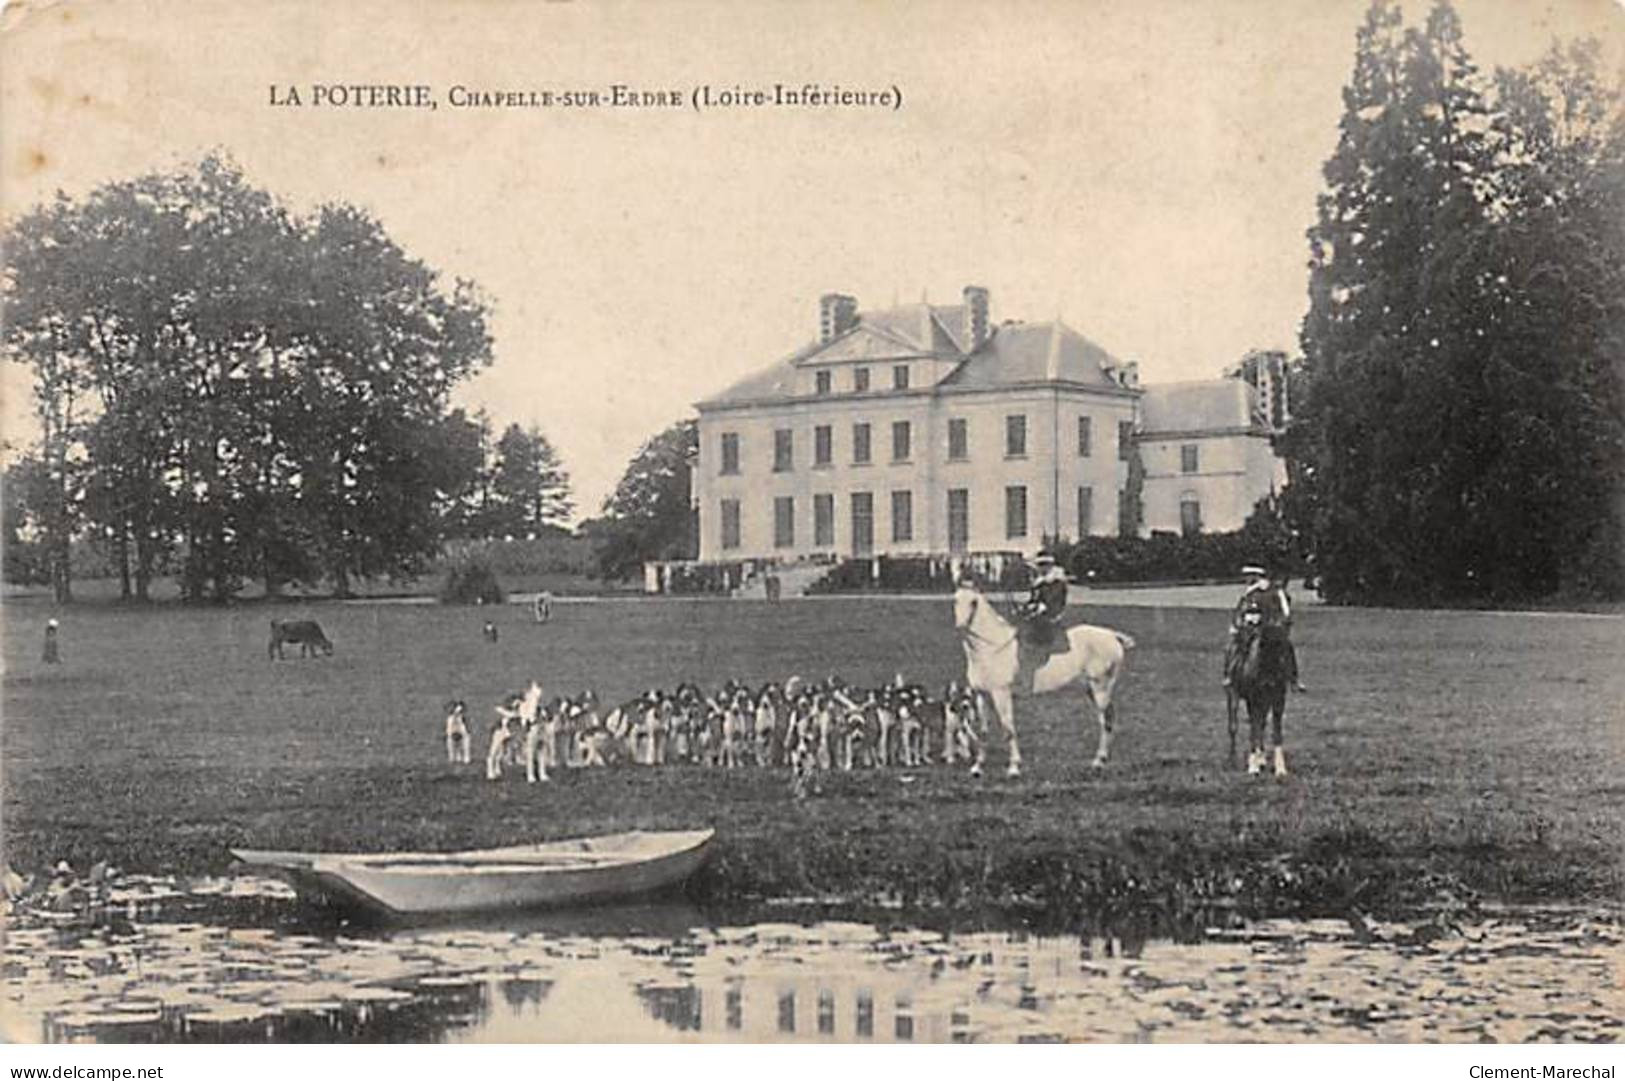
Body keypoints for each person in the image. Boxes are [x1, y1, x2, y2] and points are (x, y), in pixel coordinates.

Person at [1222, 564, 1306, 692]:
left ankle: (1293, 678)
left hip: (1268, 629)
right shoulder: (1249, 593)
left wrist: (1279, 623)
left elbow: (1284, 612)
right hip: (1249, 628)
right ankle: (1230, 675)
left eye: (1250, 576)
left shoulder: (1273, 591)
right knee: (1232, 647)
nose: (1247, 579)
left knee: (1286, 648)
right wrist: (1237, 624)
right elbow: (1241, 611)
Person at [1020, 550, 1069, 647]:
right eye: (1040, 565)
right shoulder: (1039, 582)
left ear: (1051, 565)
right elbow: (1034, 598)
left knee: (1040, 624)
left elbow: (1054, 597)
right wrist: (1026, 606)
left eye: (1045, 565)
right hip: (1040, 610)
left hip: (1053, 611)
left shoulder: (1056, 581)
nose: (1042, 568)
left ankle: (1041, 651)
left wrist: (1042, 606)